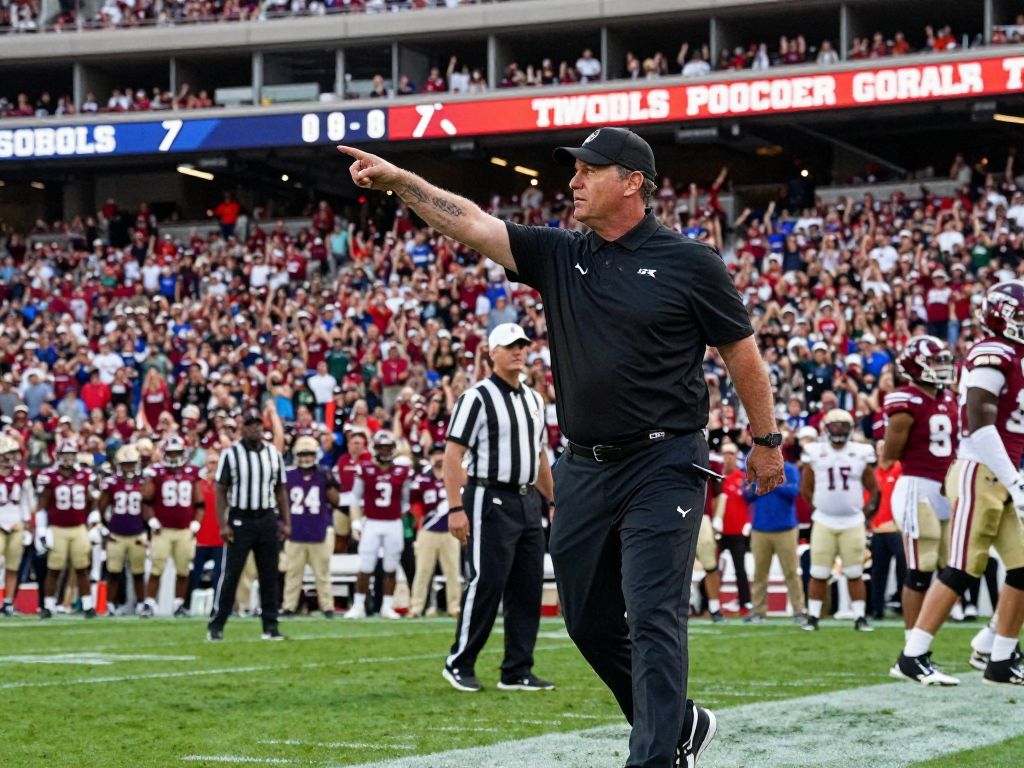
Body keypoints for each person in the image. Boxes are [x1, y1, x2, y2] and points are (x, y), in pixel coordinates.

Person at [338, 127, 783, 768]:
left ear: (632, 183)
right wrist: (401, 182)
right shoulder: (560, 253)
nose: (572, 181)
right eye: (574, 170)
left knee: (654, 614)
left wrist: (765, 440)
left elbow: (742, 353)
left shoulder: (691, 262)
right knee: (586, 622)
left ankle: (654, 758)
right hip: (583, 466)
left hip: (664, 461)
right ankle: (679, 723)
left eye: (588, 170)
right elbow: (473, 224)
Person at [893, 282, 1024, 687]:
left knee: (1022, 566)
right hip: (979, 471)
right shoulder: (993, 352)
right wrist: (1015, 481)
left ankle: (999, 656)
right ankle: (912, 655)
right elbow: (980, 425)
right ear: (1001, 317)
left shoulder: (1016, 356)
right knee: (963, 567)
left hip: (1003, 473)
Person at [442, 322, 554, 693]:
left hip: (527, 499)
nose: (518, 351)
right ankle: (459, 662)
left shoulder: (534, 400)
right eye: (509, 346)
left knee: (528, 585)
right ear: (492, 353)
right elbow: (453, 455)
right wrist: (455, 508)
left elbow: (539, 455)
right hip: (489, 497)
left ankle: (517, 669)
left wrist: (552, 500)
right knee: (487, 581)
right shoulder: (476, 397)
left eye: (522, 345)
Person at [881, 336, 957, 634]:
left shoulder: (950, 397)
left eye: (943, 361)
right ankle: (912, 641)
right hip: (917, 488)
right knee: (921, 568)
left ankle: (925, 634)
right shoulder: (905, 400)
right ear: (916, 365)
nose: (942, 367)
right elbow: (890, 455)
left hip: (946, 489)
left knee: (954, 567)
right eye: (935, 361)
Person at [207, 406, 290, 642]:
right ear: (242, 428)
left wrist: (286, 521)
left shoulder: (273, 453)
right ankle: (217, 624)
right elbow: (221, 490)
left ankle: (270, 626)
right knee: (232, 574)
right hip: (240, 518)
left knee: (269, 574)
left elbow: (280, 490)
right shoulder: (231, 454)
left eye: (258, 424)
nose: (255, 428)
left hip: (266, 517)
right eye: (250, 424)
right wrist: (223, 524)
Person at [800, 409, 879, 632]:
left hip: (852, 521)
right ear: (826, 428)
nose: (838, 430)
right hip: (824, 520)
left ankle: (860, 617)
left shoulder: (860, 451)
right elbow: (806, 488)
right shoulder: (815, 451)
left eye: (843, 426)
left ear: (850, 428)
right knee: (818, 572)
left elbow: (873, 488)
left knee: (854, 572)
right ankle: (813, 616)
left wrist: (866, 515)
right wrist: (820, 507)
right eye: (834, 425)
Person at [343, 430, 412, 620]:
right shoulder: (364, 468)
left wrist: (397, 514)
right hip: (372, 522)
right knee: (365, 566)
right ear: (375, 449)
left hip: (393, 523)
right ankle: (358, 605)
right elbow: (355, 498)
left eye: (387, 448)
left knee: (390, 566)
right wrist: (356, 521)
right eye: (381, 448)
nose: (384, 451)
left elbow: (406, 501)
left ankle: (386, 606)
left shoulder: (403, 471)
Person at [142, 435, 203, 618]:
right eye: (171, 453)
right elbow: (145, 501)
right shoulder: (156, 472)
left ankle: (178, 604)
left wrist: (196, 522)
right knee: (156, 568)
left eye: (177, 452)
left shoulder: (192, 472)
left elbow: (200, 503)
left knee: (183, 569)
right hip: (163, 529)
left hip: (185, 530)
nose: (174, 456)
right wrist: (152, 520)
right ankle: (149, 603)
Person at [35, 440, 98, 619]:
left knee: (82, 568)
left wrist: (94, 525)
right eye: (65, 455)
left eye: (71, 454)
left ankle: (87, 605)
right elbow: (42, 505)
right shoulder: (49, 476)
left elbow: (92, 502)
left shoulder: (85, 475)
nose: (68, 458)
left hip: (79, 528)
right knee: (54, 569)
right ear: (58, 456)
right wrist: (41, 530)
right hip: (58, 528)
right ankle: (48, 606)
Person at [281, 436, 339, 618]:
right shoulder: (288, 476)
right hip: (295, 531)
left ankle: (327, 607)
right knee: (293, 574)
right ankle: (289, 606)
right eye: (302, 454)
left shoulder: (323, 474)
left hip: (318, 531)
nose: (306, 458)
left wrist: (330, 484)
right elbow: (280, 502)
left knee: (322, 574)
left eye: (309, 454)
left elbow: (336, 501)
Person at [745, 455, 804, 623]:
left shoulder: (790, 469)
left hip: (785, 528)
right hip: (760, 528)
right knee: (759, 573)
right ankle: (758, 610)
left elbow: (793, 492)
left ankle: (799, 610)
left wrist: (772, 480)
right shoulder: (756, 469)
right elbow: (747, 495)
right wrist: (756, 483)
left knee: (791, 572)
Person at [407, 442, 461, 619]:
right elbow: (414, 501)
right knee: (422, 570)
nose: (438, 457)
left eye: (441, 453)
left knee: (452, 570)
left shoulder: (455, 475)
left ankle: (454, 606)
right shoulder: (422, 478)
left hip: (449, 529)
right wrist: (419, 518)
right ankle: (416, 606)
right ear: (430, 457)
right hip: (428, 529)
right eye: (435, 454)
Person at [97, 444, 147, 616]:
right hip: (116, 533)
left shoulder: (143, 482)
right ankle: (110, 603)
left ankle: (141, 603)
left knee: (138, 572)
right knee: (114, 572)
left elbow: (148, 506)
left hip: (137, 532)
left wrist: (147, 529)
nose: (128, 468)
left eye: (131, 464)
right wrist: (104, 528)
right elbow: (101, 507)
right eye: (125, 464)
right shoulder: (111, 483)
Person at [712, 443, 751, 616]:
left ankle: (745, 603)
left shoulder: (743, 478)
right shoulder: (716, 478)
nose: (728, 457)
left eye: (731, 453)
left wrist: (748, 523)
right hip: (717, 531)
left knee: (740, 569)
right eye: (725, 453)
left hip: (737, 532)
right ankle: (711, 605)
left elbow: (751, 503)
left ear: (736, 456)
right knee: (712, 567)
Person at [0, 435, 33, 615]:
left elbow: (27, 502)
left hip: (16, 522)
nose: (10, 457)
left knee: (13, 566)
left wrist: (28, 525)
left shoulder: (22, 475)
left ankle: (8, 602)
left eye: (12, 453)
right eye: (7, 453)